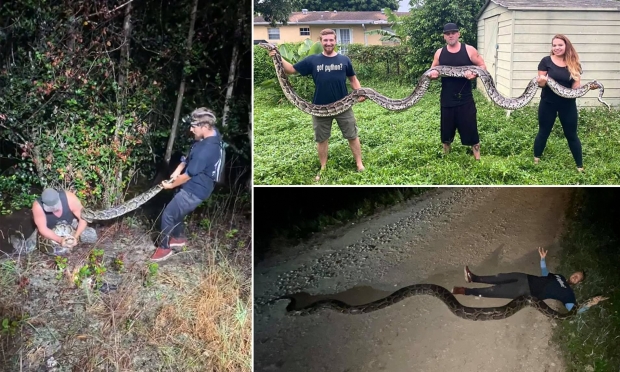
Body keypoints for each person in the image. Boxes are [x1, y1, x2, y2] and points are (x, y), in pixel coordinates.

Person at [268, 28, 365, 182]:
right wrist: (277, 56)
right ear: (321, 41)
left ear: (335, 41)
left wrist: (360, 92)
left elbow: (353, 79)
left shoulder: (344, 60)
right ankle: (323, 167)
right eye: (325, 40)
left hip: (344, 106)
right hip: (319, 108)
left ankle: (359, 164)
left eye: (331, 40)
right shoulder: (313, 60)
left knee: (352, 135)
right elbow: (291, 70)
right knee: (321, 139)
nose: (328, 43)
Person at [151, 107, 223, 262]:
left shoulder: (207, 149)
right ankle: (177, 238)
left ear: (204, 126)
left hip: (196, 189)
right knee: (177, 209)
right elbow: (190, 156)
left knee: (168, 214)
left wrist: (170, 185)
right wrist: (178, 168)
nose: (191, 130)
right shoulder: (211, 134)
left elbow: (189, 175)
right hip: (195, 183)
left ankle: (164, 249)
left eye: (194, 126)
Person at [452, 247, 608, 313]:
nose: (575, 276)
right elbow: (546, 273)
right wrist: (542, 260)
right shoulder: (559, 277)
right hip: (525, 277)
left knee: (497, 291)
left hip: (528, 291)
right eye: (576, 274)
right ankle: (474, 277)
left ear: (578, 283)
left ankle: (465, 291)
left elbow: (573, 310)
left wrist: (590, 304)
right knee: (500, 277)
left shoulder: (568, 294)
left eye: (578, 278)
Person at [428, 23, 487, 160]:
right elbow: (432, 71)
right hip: (447, 99)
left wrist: (475, 74)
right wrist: (434, 75)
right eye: (448, 33)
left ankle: (477, 158)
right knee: (446, 131)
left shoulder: (469, 50)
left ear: (458, 34)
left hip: (465, 98)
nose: (451, 35)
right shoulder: (439, 53)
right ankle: (446, 157)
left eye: (453, 32)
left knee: (471, 127)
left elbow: (482, 66)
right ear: (444, 36)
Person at [535, 34, 584, 172]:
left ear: (566, 46)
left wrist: (585, 88)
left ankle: (580, 167)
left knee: (572, 135)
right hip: (548, 103)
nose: (557, 48)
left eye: (560, 45)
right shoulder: (545, 61)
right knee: (543, 132)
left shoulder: (575, 63)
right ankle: (536, 161)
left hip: (568, 105)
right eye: (554, 45)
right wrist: (542, 82)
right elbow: (541, 83)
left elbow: (575, 87)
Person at [32, 188, 97, 256]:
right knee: (28, 247)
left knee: (91, 235)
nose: (53, 209)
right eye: (50, 208)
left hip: (71, 224)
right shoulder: (37, 206)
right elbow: (43, 229)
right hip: (50, 229)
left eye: (55, 206)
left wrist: (76, 236)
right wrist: (60, 240)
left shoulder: (70, 198)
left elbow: (83, 219)